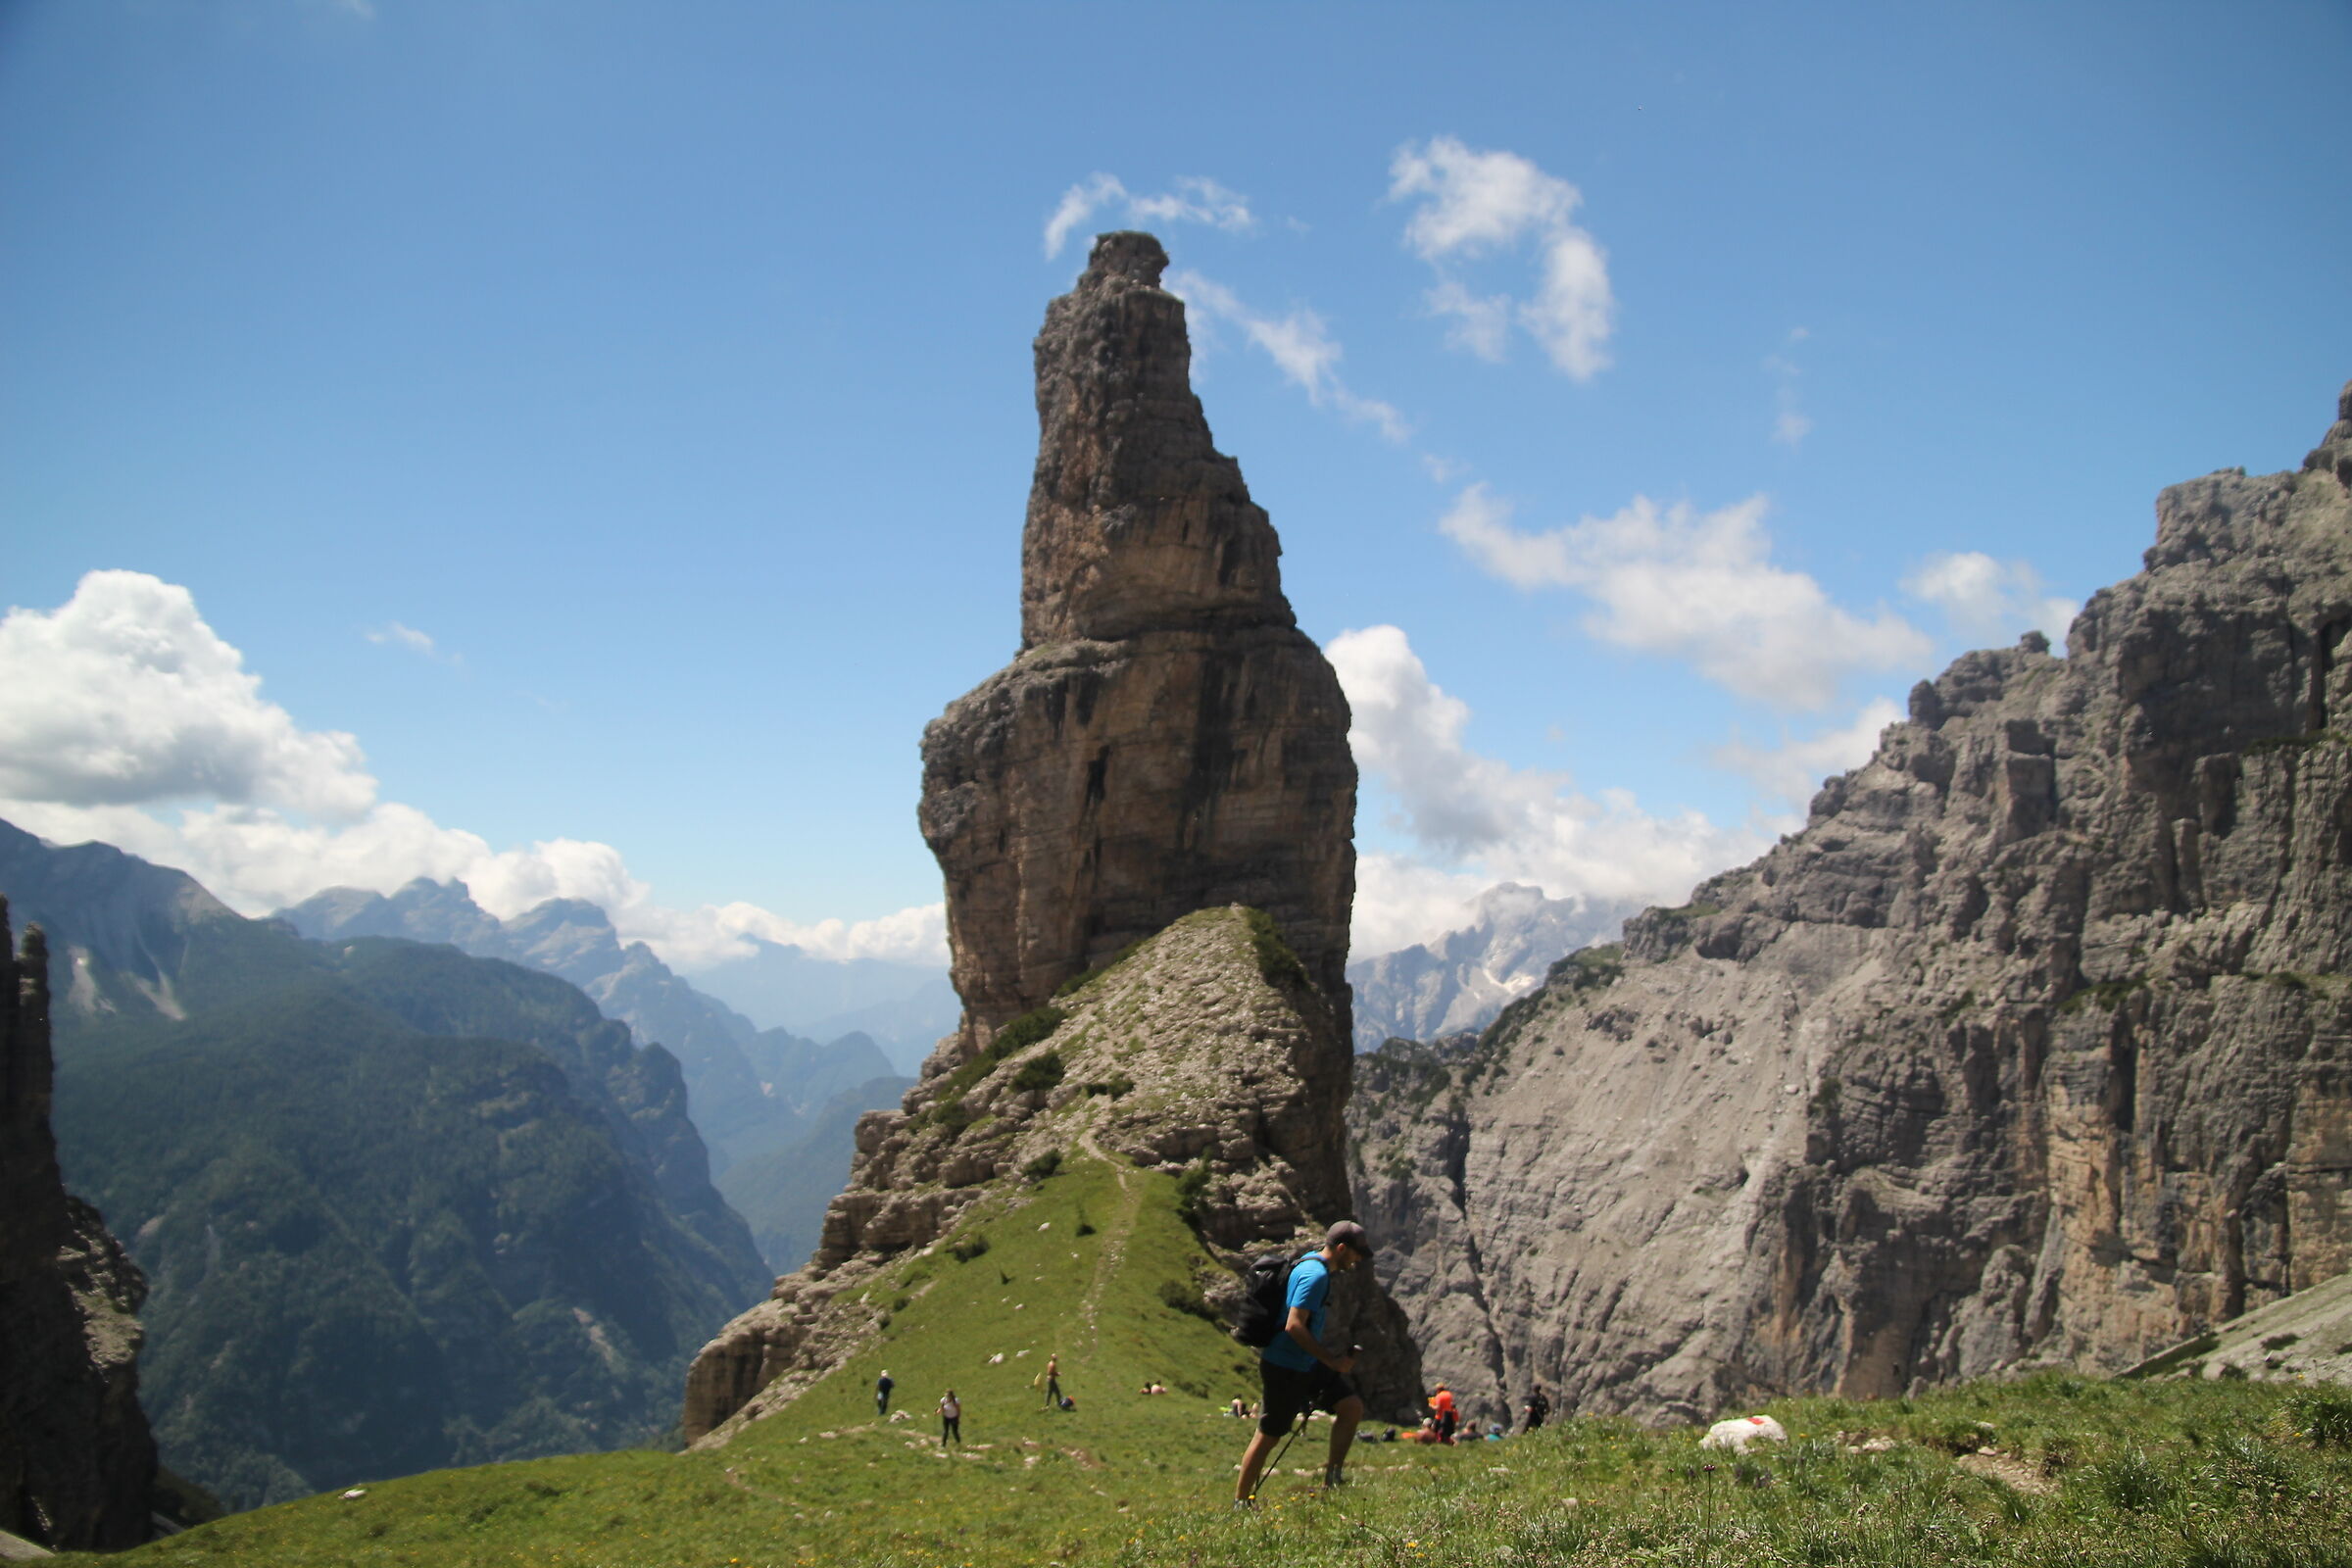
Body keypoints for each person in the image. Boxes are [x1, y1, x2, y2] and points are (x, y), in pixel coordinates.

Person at [1233, 1220, 1374, 1507]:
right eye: (1356, 1253)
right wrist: (1332, 1361)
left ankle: (1332, 1479)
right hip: (1285, 1365)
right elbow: (1294, 1326)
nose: (1358, 1260)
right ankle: (1241, 1502)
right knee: (1269, 1434)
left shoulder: (1310, 1263)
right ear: (1342, 1248)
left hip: (1304, 1363)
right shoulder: (1315, 1275)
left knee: (1351, 1407)